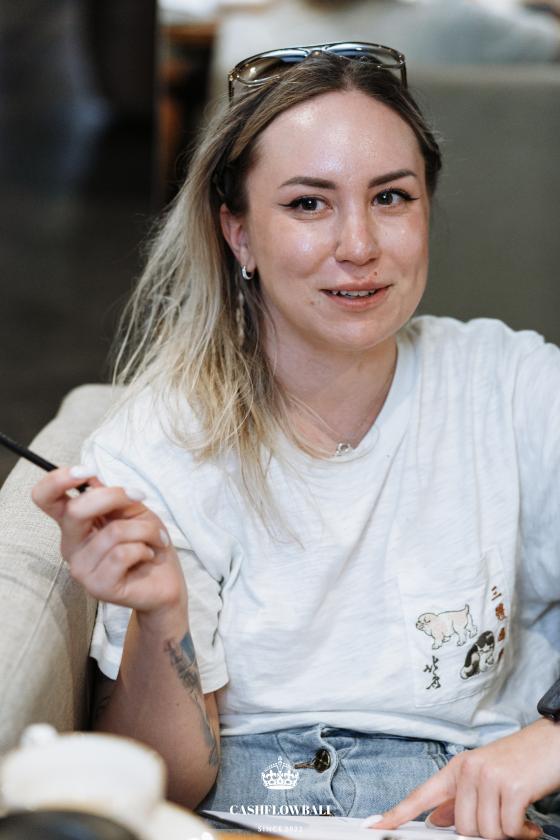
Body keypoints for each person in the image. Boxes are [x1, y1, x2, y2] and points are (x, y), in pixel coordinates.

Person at [31, 43, 560, 838]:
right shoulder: (156, 446)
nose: (359, 245)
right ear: (238, 233)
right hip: (247, 817)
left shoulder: (514, 386)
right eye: (309, 204)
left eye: (391, 197)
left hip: (473, 813)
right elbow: (165, 786)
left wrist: (551, 740)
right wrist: (163, 616)